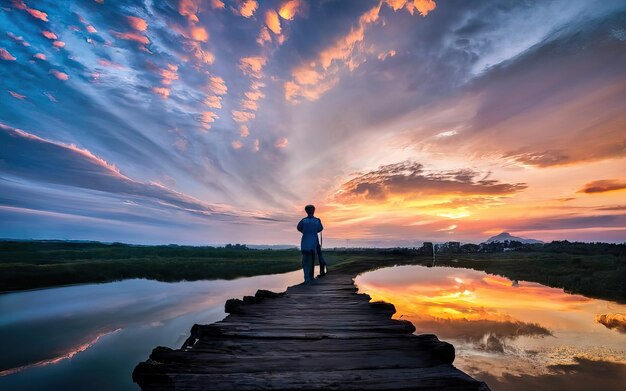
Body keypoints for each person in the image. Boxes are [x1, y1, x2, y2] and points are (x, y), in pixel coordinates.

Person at [297, 204, 323, 282]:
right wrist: (313, 231)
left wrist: (304, 231)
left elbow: (298, 228)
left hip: (305, 242)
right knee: (311, 261)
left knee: (305, 261)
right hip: (313, 243)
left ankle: (306, 278)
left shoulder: (303, 220)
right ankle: (310, 278)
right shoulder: (317, 221)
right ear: (314, 211)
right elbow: (320, 229)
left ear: (306, 211)